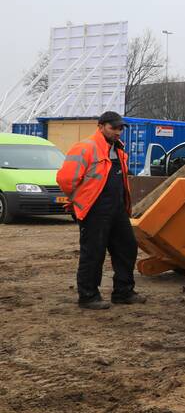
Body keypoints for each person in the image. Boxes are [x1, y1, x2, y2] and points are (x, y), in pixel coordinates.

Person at [57, 111, 146, 310]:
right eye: (113, 127)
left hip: (117, 208)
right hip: (94, 209)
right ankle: (88, 296)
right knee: (94, 253)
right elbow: (65, 179)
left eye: (121, 128)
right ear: (101, 126)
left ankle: (123, 292)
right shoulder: (85, 148)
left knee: (127, 247)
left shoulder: (118, 150)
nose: (118, 131)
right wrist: (79, 199)